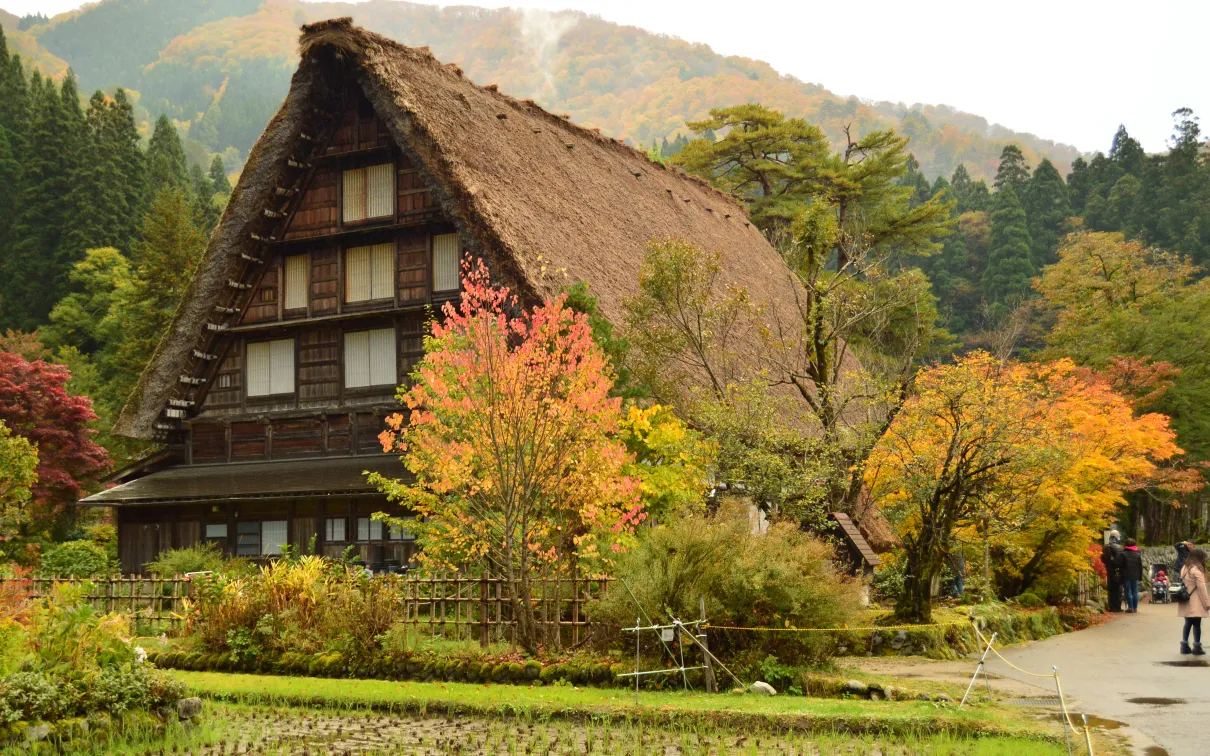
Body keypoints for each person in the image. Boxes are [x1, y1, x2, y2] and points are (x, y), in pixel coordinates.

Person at [1178, 547, 1210, 655]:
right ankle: (1197, 646)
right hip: (1195, 601)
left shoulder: (1184, 568)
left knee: (1187, 623)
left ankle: (1184, 645)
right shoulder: (1197, 571)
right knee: (1196, 623)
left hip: (1185, 599)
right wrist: (1207, 603)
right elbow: (1202, 589)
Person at [1102, 530, 1124, 612]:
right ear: (1116, 537)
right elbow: (1120, 560)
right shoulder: (1118, 547)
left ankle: (1111, 607)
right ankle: (1117, 607)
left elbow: (1102, 558)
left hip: (1109, 570)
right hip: (1117, 571)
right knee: (1118, 589)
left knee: (1110, 589)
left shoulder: (1105, 547)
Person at [1121, 538, 1143, 613]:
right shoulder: (1137, 554)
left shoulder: (1123, 554)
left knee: (1128, 591)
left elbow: (1120, 565)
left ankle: (1130, 607)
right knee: (1135, 592)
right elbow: (1140, 566)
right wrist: (1140, 577)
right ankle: (1135, 608)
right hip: (1135, 575)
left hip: (1126, 575)